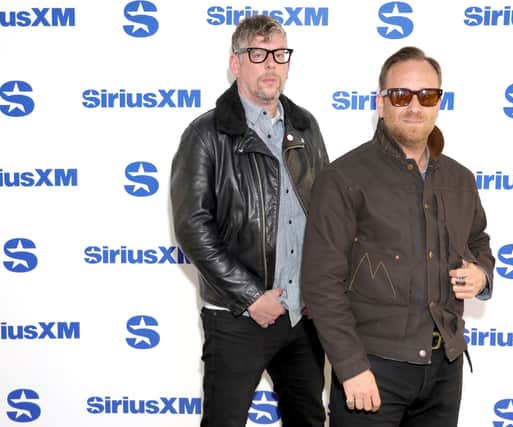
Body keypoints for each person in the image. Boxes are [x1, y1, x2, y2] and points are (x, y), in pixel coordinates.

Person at [301, 46, 495, 427]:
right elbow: (320, 283)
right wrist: (351, 368)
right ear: (381, 102)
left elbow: (478, 241)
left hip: (444, 369)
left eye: (427, 95)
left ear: (439, 101)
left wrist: (482, 275)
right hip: (372, 371)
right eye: (401, 95)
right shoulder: (344, 178)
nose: (414, 106)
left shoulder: (459, 179)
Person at [170, 15, 328, 427]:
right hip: (237, 315)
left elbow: (328, 214)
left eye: (279, 54)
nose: (271, 64)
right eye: (258, 54)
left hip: (302, 316)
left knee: (309, 420)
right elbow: (192, 226)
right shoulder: (206, 135)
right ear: (236, 63)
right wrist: (250, 297)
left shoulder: (306, 127)